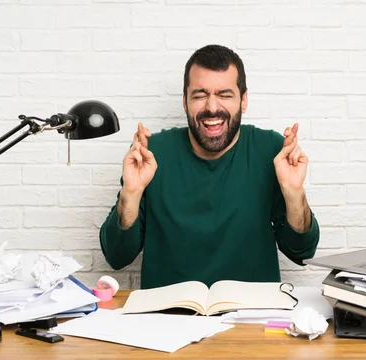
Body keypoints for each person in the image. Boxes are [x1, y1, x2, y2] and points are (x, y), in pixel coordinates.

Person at [99, 44, 320, 289]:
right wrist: (131, 193)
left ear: (243, 100)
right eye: (200, 95)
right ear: (185, 101)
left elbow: (302, 251)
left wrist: (294, 194)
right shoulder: (152, 154)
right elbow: (117, 257)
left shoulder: (272, 150)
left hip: (251, 318)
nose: (212, 108)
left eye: (225, 94)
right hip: (167, 318)